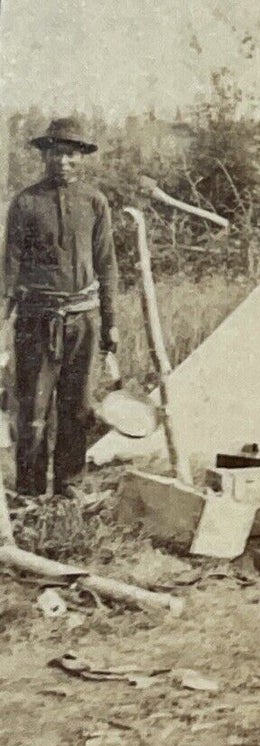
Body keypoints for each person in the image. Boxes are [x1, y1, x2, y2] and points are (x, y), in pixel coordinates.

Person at [3, 118, 119, 498]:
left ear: (81, 157)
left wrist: (110, 323)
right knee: (33, 413)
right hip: (36, 319)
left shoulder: (94, 201)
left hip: (83, 319)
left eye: (70, 154)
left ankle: (69, 487)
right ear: (45, 155)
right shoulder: (26, 202)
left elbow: (107, 265)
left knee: (78, 410)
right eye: (55, 153)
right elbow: (10, 266)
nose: (62, 161)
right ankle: (30, 492)